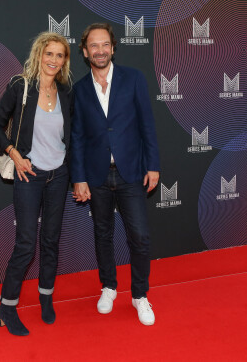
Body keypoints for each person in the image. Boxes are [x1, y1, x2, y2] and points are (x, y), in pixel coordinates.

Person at [70, 23, 160, 326]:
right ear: (84, 52)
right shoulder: (79, 90)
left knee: (141, 236)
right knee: (102, 234)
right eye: (93, 46)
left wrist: (154, 165)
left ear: (113, 47)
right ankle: (108, 286)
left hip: (131, 172)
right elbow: (77, 137)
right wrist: (78, 177)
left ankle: (139, 295)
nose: (100, 50)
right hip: (96, 176)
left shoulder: (133, 79)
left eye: (104, 44)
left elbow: (147, 124)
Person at [0, 32, 73, 336]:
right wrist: (14, 153)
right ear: (39, 54)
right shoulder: (20, 86)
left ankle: (46, 298)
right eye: (49, 53)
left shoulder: (65, 91)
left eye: (60, 55)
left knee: (50, 241)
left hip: (59, 175)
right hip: (29, 174)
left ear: (65, 60)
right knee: (26, 245)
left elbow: (71, 135)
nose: (53, 60)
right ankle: (7, 307)